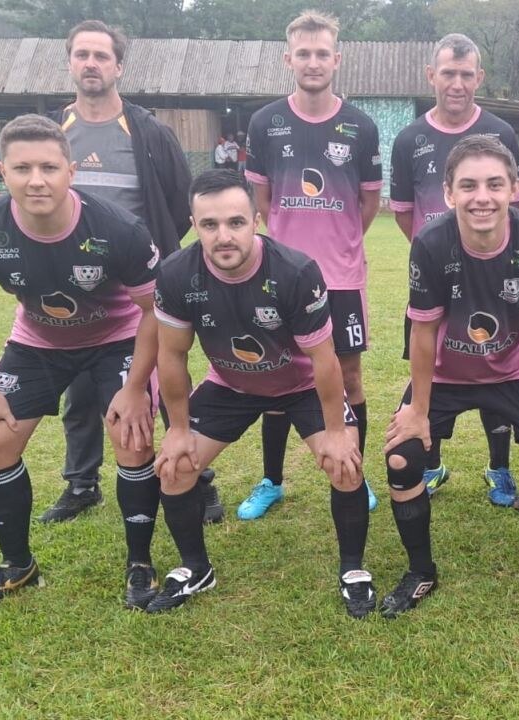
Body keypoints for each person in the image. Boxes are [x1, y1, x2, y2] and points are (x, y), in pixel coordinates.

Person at [0, 114, 162, 609]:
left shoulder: (118, 227)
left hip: (117, 338)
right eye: (22, 169)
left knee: (132, 435)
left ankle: (140, 563)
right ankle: (17, 565)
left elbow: (155, 312)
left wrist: (134, 388)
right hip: (38, 341)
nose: (36, 180)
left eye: (48, 167)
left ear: (71, 172)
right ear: (2, 172)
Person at [382, 134, 519, 628]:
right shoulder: (430, 242)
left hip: (513, 370)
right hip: (447, 373)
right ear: (449, 192)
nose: (482, 197)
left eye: (495, 184)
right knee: (401, 457)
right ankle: (420, 571)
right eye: (469, 185)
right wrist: (417, 412)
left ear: (515, 188)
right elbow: (424, 331)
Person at [153, 170, 373, 615]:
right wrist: (177, 429)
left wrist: (336, 431)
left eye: (235, 222)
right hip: (231, 384)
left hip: (301, 385)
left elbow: (324, 360)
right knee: (175, 468)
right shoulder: (176, 273)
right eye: (209, 224)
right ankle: (196, 568)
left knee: (344, 464)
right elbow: (172, 356)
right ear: (194, 225)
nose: (224, 236)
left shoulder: (295, 271)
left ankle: (353, 570)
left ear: (256, 220)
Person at [44, 19, 209, 524]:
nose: (91, 64)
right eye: (82, 55)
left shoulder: (148, 131)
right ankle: (81, 483)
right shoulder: (53, 132)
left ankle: (197, 476)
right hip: (76, 289)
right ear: (70, 63)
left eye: (101, 56)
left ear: (119, 66)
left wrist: (144, 258)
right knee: (81, 390)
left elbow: (181, 205)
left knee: (166, 380)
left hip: (141, 288)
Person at [244, 10, 381, 520]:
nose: (313, 62)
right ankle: (271, 480)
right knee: (277, 379)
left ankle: (355, 472)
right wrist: (288, 249)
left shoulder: (361, 126)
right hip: (279, 278)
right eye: (304, 53)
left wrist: (337, 244)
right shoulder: (265, 123)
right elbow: (262, 200)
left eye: (322, 53)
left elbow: (368, 204)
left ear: (337, 59)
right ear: (289, 59)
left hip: (341, 277)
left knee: (350, 376)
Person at [389, 32, 519, 506]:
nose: (457, 84)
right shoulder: (410, 138)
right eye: (448, 73)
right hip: (435, 280)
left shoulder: (501, 133)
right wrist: (438, 255)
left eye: (467, 75)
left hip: (492, 279)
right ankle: (431, 463)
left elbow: (511, 209)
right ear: (432, 76)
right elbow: (403, 213)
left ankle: (499, 467)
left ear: (479, 78)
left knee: (495, 361)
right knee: (430, 363)